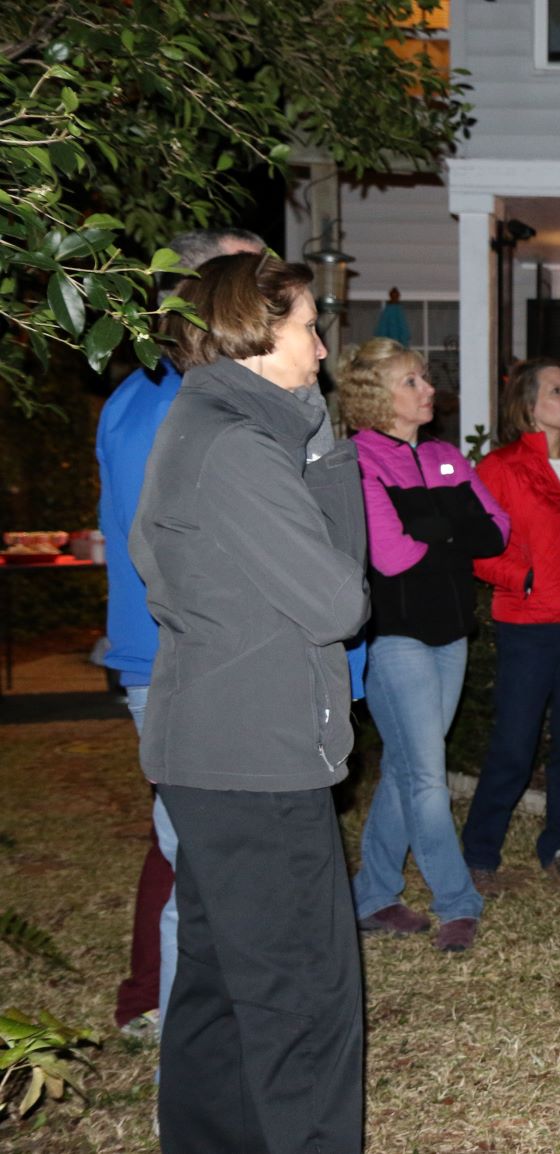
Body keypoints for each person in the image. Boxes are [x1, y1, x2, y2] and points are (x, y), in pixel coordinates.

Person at [132, 252, 369, 1151]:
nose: (320, 347)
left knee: (223, 990)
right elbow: (340, 599)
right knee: (304, 1005)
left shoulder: (212, 426)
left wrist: (312, 438)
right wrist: (326, 446)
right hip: (255, 760)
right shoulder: (236, 445)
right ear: (257, 333)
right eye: (309, 326)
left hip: (219, 751)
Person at [100, 228, 265, 1041]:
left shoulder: (171, 394)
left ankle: (153, 995)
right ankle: (172, 1012)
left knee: (183, 840)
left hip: (187, 654)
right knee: (201, 848)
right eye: (250, 275)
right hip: (179, 657)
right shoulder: (170, 408)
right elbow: (176, 555)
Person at [340, 338, 509, 952]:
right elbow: (389, 555)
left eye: (423, 379)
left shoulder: (443, 454)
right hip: (395, 638)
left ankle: (372, 898)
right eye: (412, 381)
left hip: (451, 629)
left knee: (411, 772)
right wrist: (450, 528)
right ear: (377, 396)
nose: (428, 389)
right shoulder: (359, 460)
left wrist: (432, 528)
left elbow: (495, 531)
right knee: (428, 779)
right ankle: (457, 900)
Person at [463, 358, 560, 895]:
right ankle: (480, 851)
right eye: (556, 390)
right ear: (529, 405)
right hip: (529, 627)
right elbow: (474, 548)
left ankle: (558, 843)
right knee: (514, 744)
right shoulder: (500, 469)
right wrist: (523, 578)